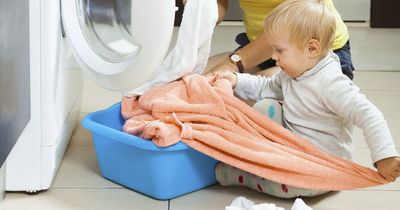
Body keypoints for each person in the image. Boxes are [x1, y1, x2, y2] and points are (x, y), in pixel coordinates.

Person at [210, 0, 400, 198]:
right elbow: (266, 87)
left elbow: (368, 114)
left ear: (311, 49)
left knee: (292, 187)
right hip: (295, 151)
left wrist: (384, 156)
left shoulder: (331, 84)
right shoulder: (294, 71)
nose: (274, 56)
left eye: (280, 50)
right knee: (265, 106)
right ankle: (261, 162)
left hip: (323, 168)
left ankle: (246, 177)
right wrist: (236, 80)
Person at [205, 0, 355, 80]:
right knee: (192, 79)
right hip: (260, 49)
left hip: (309, 53)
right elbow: (219, 5)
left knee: (252, 98)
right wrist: (201, 7)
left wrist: (233, 63)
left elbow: (294, 22)